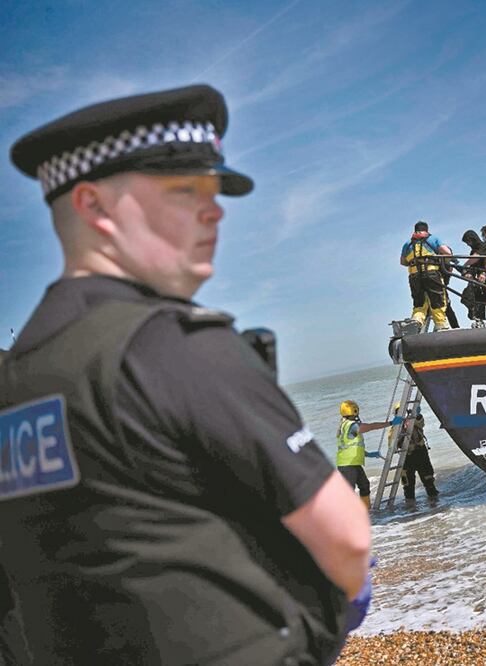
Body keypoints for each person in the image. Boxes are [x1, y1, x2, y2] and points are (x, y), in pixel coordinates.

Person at [0, 85, 372, 664]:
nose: (215, 208)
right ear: (94, 206)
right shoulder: (174, 347)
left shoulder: (16, 376)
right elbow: (347, 539)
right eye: (184, 190)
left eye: (215, 190)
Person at [337, 400, 400, 509]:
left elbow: (351, 447)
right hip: (347, 465)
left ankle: (366, 512)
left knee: (364, 486)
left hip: (352, 463)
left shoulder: (345, 425)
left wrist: (368, 454)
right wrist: (390, 423)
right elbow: (371, 426)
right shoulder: (351, 425)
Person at [401, 220, 452, 331]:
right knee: (437, 300)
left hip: (414, 276)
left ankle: (417, 320)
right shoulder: (433, 239)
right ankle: (441, 324)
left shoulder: (407, 243)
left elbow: (403, 262)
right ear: (426, 230)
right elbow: (447, 253)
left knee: (419, 302)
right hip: (431, 274)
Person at [392, 404, 438, 502]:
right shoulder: (394, 428)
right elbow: (391, 444)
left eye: (403, 411)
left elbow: (421, 423)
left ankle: (434, 502)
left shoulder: (414, 421)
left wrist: (417, 415)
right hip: (406, 456)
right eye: (398, 412)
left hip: (420, 453)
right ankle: (410, 507)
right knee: (407, 485)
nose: (402, 414)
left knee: (428, 480)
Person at [460, 229, 486, 324]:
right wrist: (469, 274)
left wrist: (484, 273)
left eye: (468, 241)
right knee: (470, 294)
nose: (468, 244)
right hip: (478, 279)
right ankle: (477, 317)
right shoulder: (473, 252)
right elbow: (473, 266)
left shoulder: (484, 247)